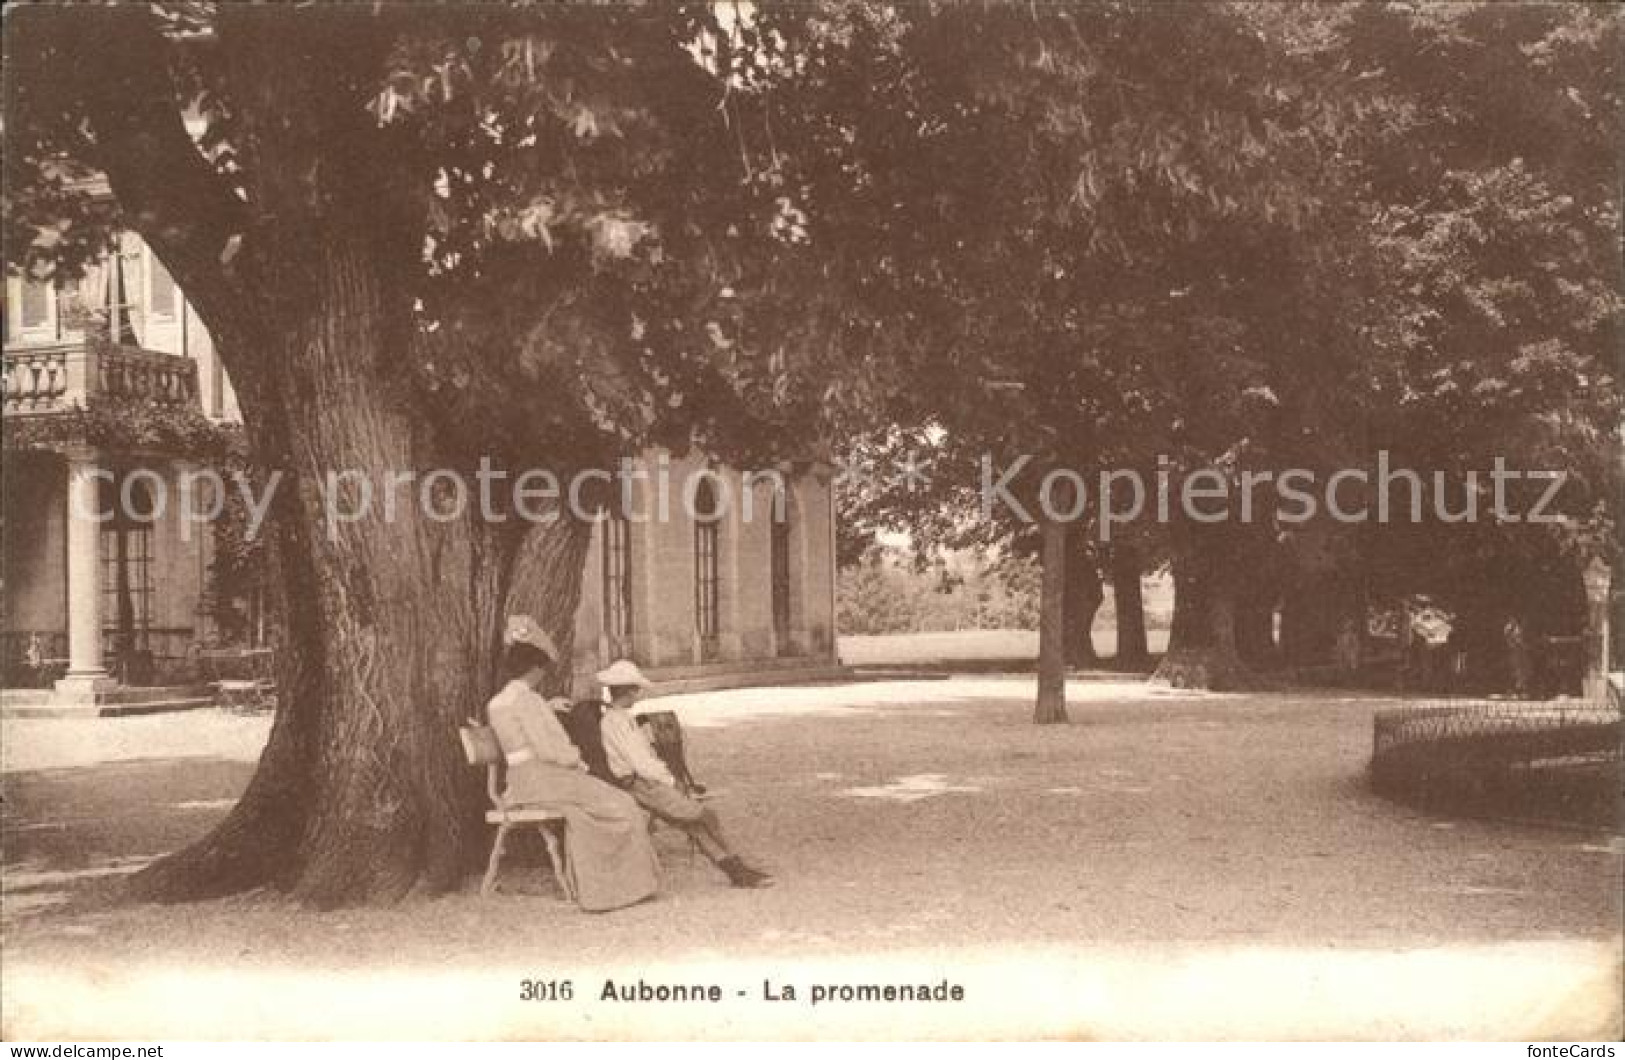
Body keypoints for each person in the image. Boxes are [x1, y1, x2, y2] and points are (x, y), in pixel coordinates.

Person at [485, 616, 659, 912]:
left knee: (601, 804)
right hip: (545, 778)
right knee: (621, 802)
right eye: (541, 669)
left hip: (522, 781)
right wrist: (577, 762)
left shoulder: (499, 702)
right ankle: (619, 887)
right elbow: (551, 749)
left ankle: (610, 884)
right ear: (535, 669)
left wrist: (547, 711)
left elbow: (524, 734)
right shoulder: (529, 701)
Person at [595, 659, 774, 889]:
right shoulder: (615, 722)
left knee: (695, 824)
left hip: (646, 781)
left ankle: (735, 869)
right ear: (628, 691)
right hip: (642, 785)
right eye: (635, 690)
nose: (637, 694)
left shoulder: (621, 719)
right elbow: (640, 763)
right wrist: (670, 781)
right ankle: (737, 865)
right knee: (705, 816)